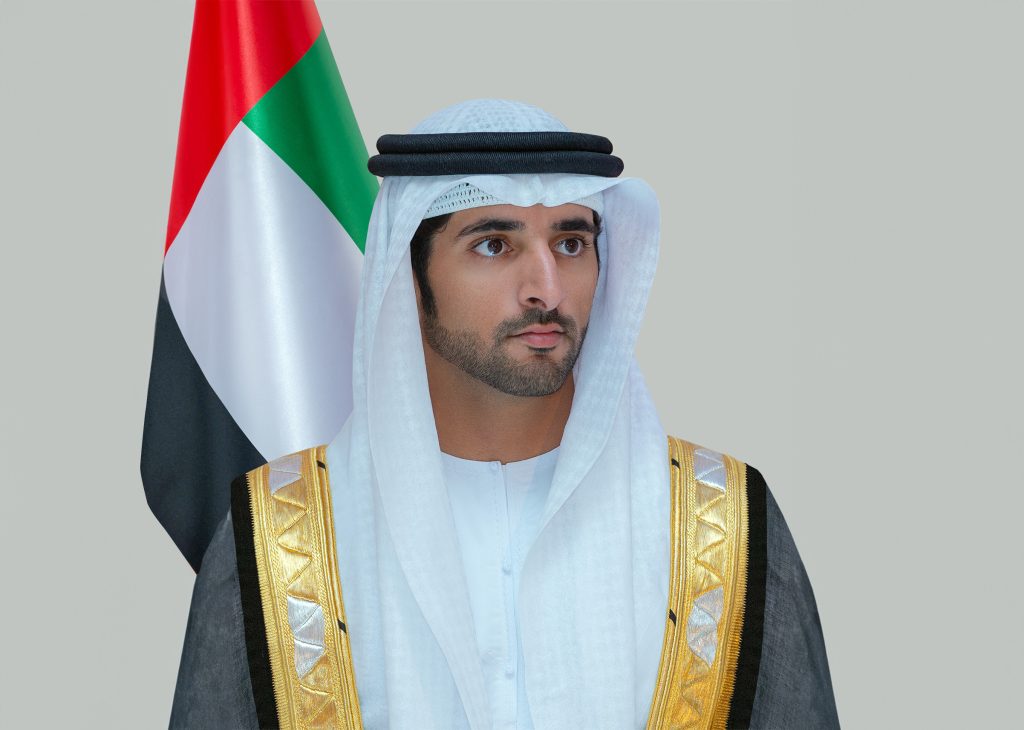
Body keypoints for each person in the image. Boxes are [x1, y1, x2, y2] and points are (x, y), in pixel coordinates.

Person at [170, 99, 839, 729]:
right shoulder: (280, 534)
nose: (546, 289)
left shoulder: (722, 522)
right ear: (408, 277)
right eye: (494, 245)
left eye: (571, 243)